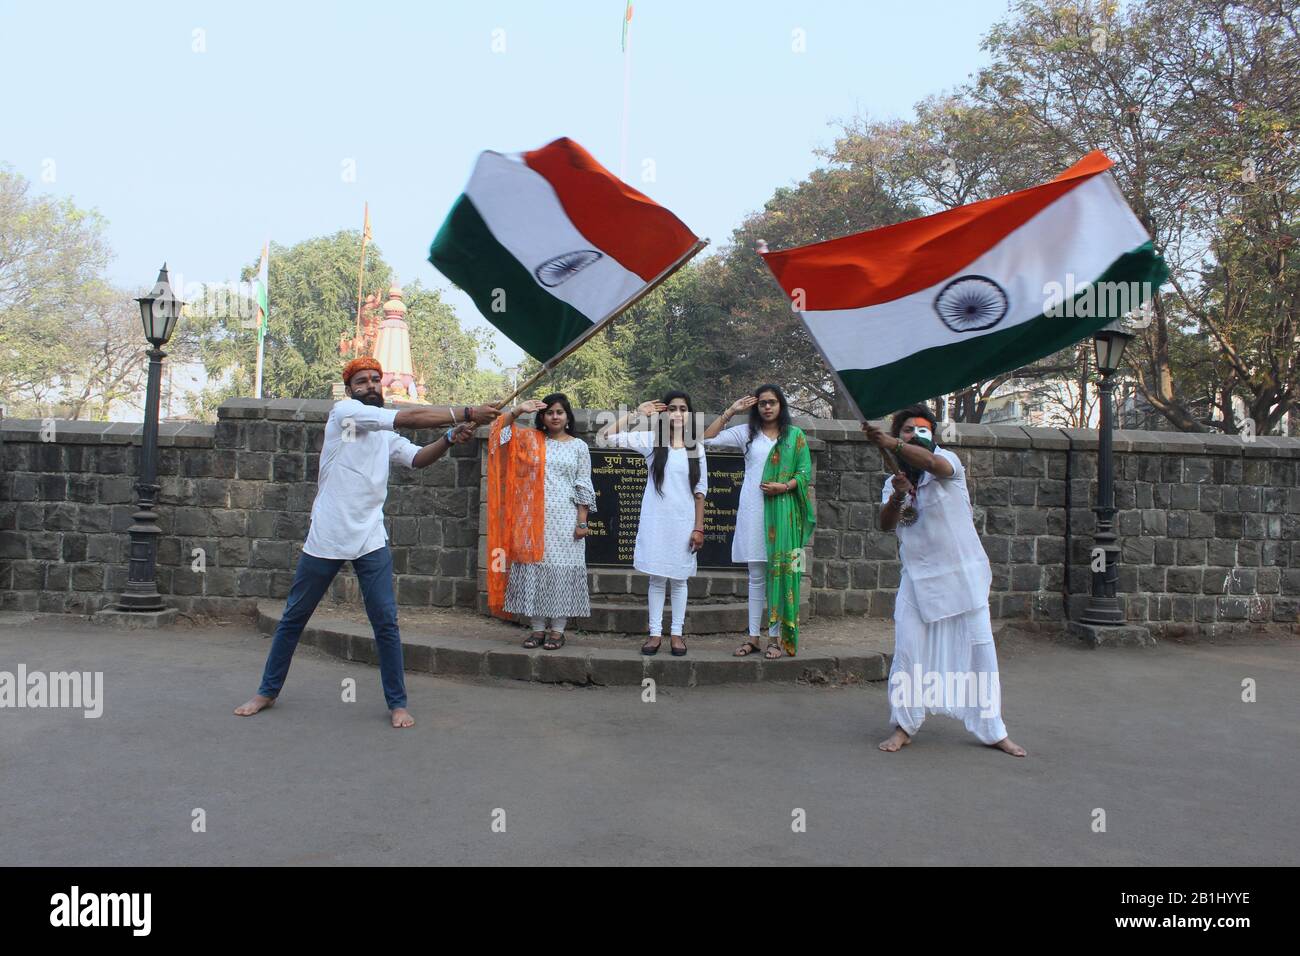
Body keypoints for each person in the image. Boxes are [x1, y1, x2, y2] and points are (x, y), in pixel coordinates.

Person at [234, 357, 499, 728]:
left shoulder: (384, 435)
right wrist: (466, 412)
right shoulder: (345, 413)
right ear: (350, 390)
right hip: (327, 535)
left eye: (376, 379)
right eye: (362, 381)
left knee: (386, 623)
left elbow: (418, 459)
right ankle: (266, 691)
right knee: (294, 617)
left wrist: (450, 438)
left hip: (370, 538)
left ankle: (398, 704)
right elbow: (407, 417)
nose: (371, 385)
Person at [864, 404, 1026, 757]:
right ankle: (904, 725)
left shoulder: (949, 464)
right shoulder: (894, 481)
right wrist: (897, 494)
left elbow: (933, 464)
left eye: (923, 429)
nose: (916, 434)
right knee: (907, 651)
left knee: (980, 652)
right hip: (918, 579)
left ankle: (992, 728)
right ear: (900, 432)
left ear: (933, 436)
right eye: (908, 429)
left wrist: (892, 444)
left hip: (963, 576)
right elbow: (886, 524)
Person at [703, 384, 815, 659]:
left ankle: (775, 639)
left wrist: (785, 486)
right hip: (753, 511)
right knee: (755, 577)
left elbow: (804, 474)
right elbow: (705, 439)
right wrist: (731, 411)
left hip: (783, 512)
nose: (766, 407)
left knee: (779, 574)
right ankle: (753, 636)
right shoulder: (747, 434)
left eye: (772, 402)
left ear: (781, 406)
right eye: (762, 403)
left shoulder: (795, 437)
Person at [601, 393, 708, 656]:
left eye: (683, 409)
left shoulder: (697, 447)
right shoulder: (652, 442)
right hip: (656, 521)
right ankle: (654, 634)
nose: (677, 413)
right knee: (657, 580)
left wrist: (699, 527)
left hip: (684, 523)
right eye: (672, 408)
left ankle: (677, 634)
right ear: (664, 414)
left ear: (689, 415)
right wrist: (636, 414)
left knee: (680, 580)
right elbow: (604, 437)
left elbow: (700, 491)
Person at [489, 393, 597, 650]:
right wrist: (517, 411)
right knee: (534, 571)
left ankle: (558, 631)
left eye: (560, 412)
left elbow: (583, 483)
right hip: (530, 520)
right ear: (542, 417)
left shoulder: (578, 446)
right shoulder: (529, 440)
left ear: (568, 417)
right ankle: (537, 629)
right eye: (550, 412)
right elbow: (497, 433)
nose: (555, 416)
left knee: (560, 572)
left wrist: (582, 521)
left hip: (565, 520)